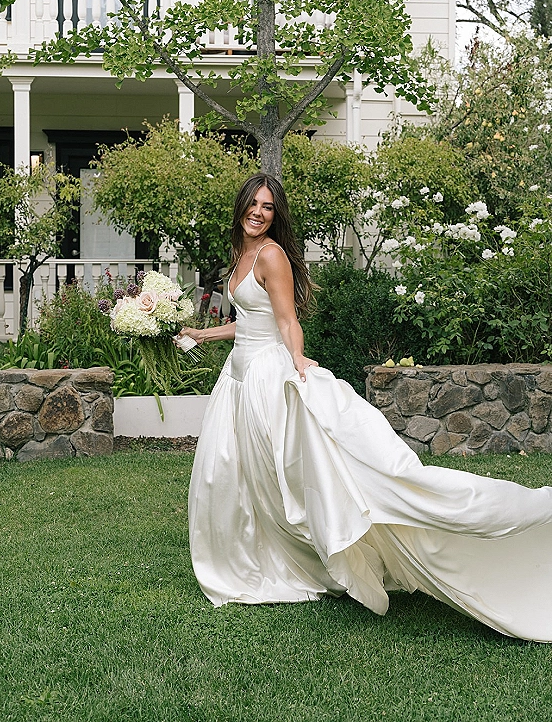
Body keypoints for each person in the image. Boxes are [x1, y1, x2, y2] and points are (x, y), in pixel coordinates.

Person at [180, 172, 552, 641]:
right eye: (253, 203)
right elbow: (248, 321)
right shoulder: (242, 254)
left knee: (300, 472)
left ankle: (305, 550)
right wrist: (202, 334)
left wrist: (297, 358)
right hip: (237, 377)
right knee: (243, 473)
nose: (258, 212)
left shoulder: (272, 255)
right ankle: (257, 548)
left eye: (268, 207)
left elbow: (286, 320)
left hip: (266, 377)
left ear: (277, 215)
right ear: (241, 207)